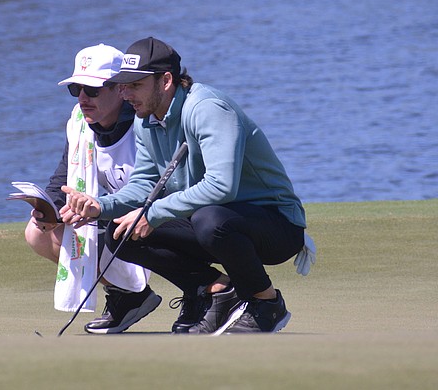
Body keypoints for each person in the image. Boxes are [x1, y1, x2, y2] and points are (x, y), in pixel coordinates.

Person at [61, 37, 311, 335]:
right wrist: (101, 206)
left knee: (209, 219)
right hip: (219, 223)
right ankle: (215, 292)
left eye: (135, 85)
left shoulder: (207, 108)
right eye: (124, 85)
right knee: (122, 233)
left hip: (276, 226)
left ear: (165, 80)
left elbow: (221, 187)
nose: (126, 94)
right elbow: (143, 185)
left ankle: (266, 303)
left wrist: (152, 214)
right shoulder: (146, 120)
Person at [24, 43, 161, 334]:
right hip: (116, 216)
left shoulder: (145, 124)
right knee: (37, 233)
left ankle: (206, 293)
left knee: (112, 230)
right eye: (77, 90)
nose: (83, 98)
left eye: (93, 90)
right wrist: (48, 209)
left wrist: (97, 213)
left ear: (120, 90)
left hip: (161, 217)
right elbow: (62, 179)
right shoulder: (80, 123)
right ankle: (130, 296)